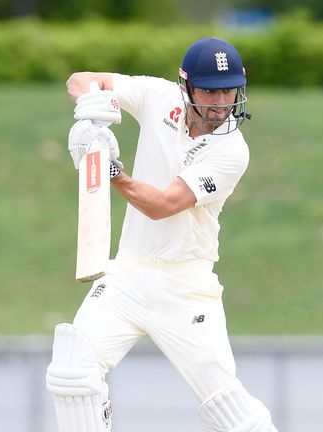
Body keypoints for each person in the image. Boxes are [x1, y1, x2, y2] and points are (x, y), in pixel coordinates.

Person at [45, 37, 278, 432]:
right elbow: (80, 80)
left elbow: (161, 205)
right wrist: (91, 115)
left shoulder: (231, 151)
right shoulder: (158, 95)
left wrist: (104, 166)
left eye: (229, 91)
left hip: (184, 286)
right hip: (128, 275)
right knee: (72, 372)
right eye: (210, 90)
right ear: (185, 86)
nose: (221, 104)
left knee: (230, 410)